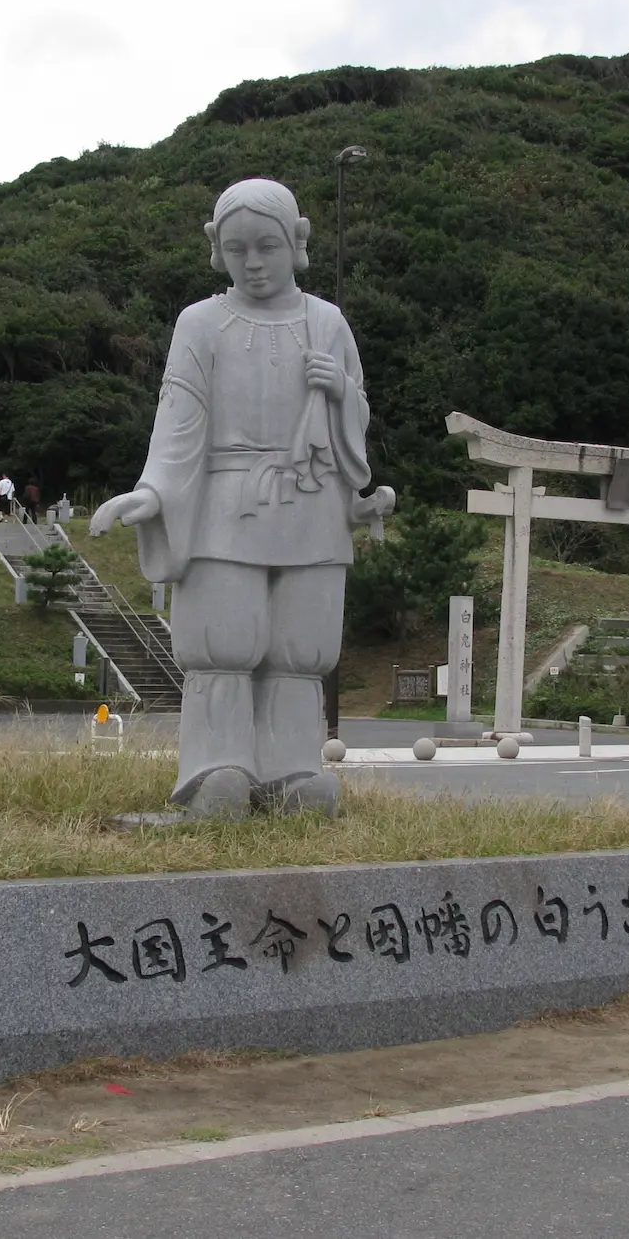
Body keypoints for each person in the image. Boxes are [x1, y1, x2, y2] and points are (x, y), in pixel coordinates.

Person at [91, 177, 392, 820]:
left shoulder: (326, 322)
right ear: (216, 248)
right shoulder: (200, 323)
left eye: (267, 246)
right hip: (226, 501)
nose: (253, 263)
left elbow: (358, 419)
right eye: (237, 249)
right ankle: (215, 770)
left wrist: (341, 390)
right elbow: (180, 419)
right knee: (222, 645)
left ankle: (293, 770)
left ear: (297, 241)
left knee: (300, 651)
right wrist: (153, 491)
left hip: (311, 498)